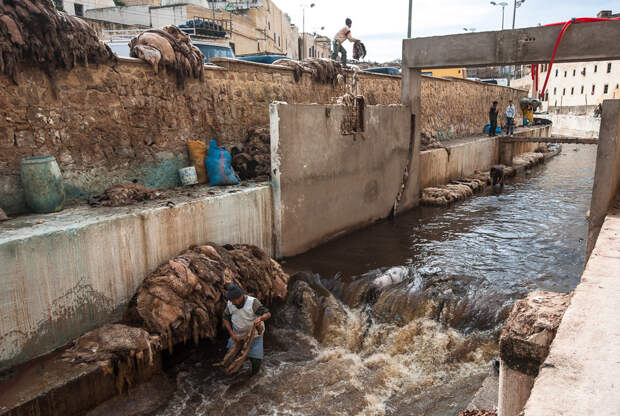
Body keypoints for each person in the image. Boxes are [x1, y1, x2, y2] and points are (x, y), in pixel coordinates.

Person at [222, 285, 271, 376]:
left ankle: (253, 377)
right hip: (237, 335)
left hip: (254, 336)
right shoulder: (230, 303)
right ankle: (232, 373)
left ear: (240, 297)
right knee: (231, 356)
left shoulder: (253, 303)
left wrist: (260, 318)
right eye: (231, 300)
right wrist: (232, 334)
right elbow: (225, 318)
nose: (232, 303)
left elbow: (267, 314)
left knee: (256, 360)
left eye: (233, 300)